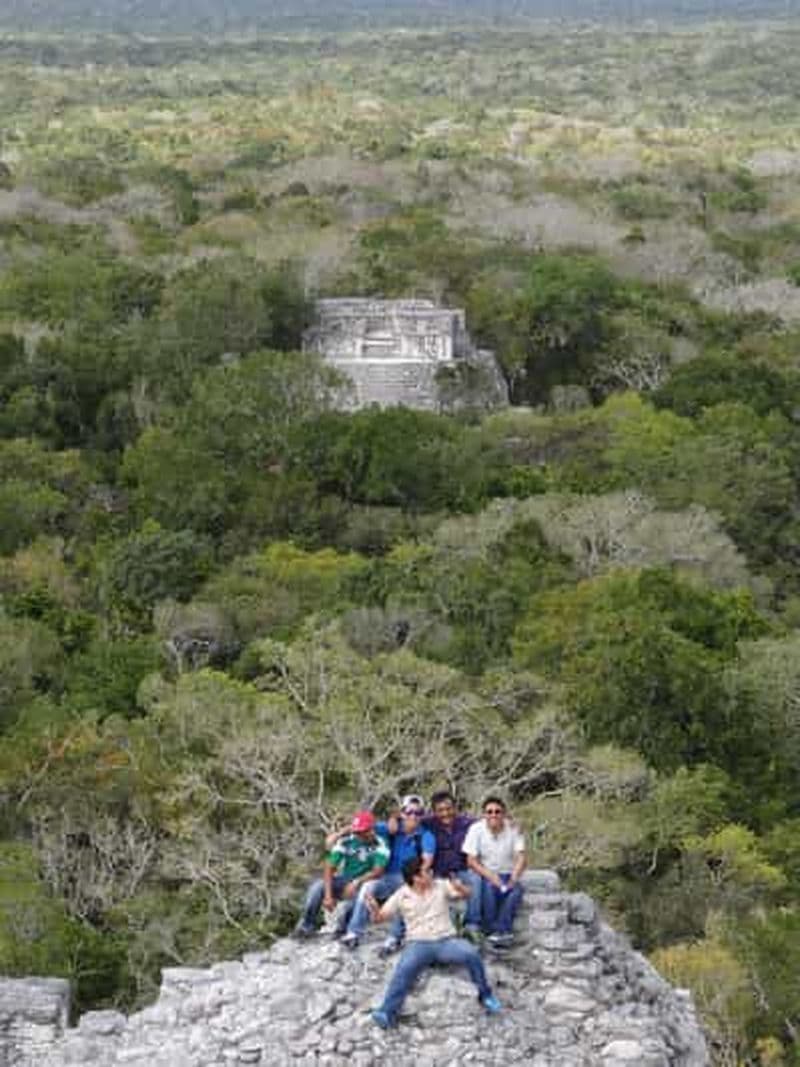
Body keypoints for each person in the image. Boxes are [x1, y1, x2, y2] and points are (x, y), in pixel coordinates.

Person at [366, 856, 502, 1029]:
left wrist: (461, 888)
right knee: (403, 969)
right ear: (416, 877)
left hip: (445, 940)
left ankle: (485, 995)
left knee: (471, 953)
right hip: (418, 943)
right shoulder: (401, 894)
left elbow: (467, 894)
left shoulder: (441, 885)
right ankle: (387, 1012)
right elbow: (379, 918)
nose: (431, 873)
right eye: (426, 871)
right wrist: (374, 909)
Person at [340, 794, 435, 951]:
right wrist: (338, 834)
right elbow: (362, 828)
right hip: (386, 877)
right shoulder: (392, 828)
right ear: (402, 813)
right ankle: (353, 933)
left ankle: (394, 938)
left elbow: (427, 860)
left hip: (408, 878)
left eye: (418, 813)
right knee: (368, 887)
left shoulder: (426, 836)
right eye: (409, 812)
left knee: (405, 894)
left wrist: (418, 878)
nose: (413, 816)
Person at [294, 810, 389, 938]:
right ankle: (306, 926)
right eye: (357, 832)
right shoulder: (346, 841)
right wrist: (328, 896)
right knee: (317, 887)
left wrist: (357, 883)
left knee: (358, 898)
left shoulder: (381, 842)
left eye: (362, 831)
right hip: (346, 878)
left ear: (371, 830)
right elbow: (329, 867)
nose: (359, 835)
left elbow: (378, 871)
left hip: (366, 881)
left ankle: (344, 929)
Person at [463, 795, 526, 947]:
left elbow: (521, 857)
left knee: (516, 891)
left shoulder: (513, 829)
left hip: (507, 873)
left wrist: (514, 877)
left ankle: (501, 931)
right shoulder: (476, 829)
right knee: (490, 890)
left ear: (503, 813)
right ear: (484, 814)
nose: (493, 815)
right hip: (487, 872)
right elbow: (471, 860)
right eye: (489, 812)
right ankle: (491, 930)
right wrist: (491, 876)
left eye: (497, 811)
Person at [421, 790, 482, 938]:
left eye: (448, 809)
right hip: (439, 873)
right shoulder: (428, 823)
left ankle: (472, 924)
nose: (445, 813)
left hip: (462, 870)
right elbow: (406, 820)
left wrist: (509, 822)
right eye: (440, 810)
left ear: (455, 808)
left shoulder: (467, 823)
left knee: (476, 879)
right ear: (434, 811)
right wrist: (393, 819)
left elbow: (489, 822)